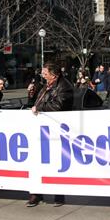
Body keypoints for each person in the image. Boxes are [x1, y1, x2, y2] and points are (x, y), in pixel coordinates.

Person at [27, 60, 73, 207]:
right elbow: (36, 103)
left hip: (55, 130)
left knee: (55, 162)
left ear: (54, 75)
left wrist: (40, 108)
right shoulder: (47, 86)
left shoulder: (64, 87)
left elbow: (58, 106)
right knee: (37, 162)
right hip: (42, 129)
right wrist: (32, 95)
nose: (43, 75)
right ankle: (36, 193)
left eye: (45, 73)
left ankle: (58, 194)